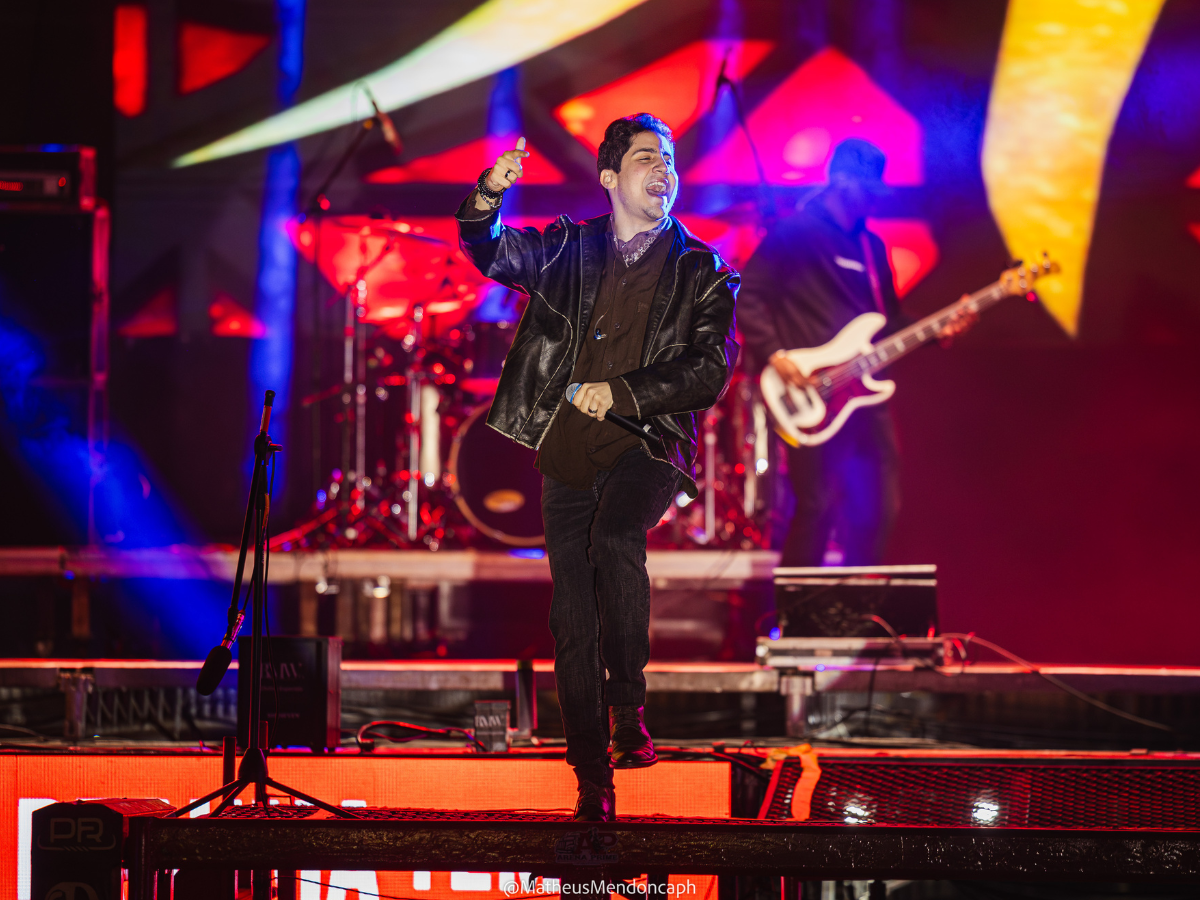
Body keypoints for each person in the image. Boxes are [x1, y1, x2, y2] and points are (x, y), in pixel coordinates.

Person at [456, 115, 739, 821]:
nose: (663, 169)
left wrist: (625, 393)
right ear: (611, 177)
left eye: (669, 160)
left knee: (617, 539)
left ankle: (628, 711)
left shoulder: (702, 267)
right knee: (572, 618)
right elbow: (491, 254)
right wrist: (487, 197)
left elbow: (710, 369)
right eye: (647, 158)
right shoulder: (567, 249)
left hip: (648, 442)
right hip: (569, 449)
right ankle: (592, 781)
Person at [737, 139, 972, 567]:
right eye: (868, 192)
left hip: (864, 397)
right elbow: (747, 297)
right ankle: (795, 621)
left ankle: (861, 610)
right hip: (810, 392)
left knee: (880, 505)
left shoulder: (872, 246)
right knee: (817, 505)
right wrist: (776, 355)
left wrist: (940, 328)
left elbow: (890, 321)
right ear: (843, 183)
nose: (874, 203)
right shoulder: (795, 233)